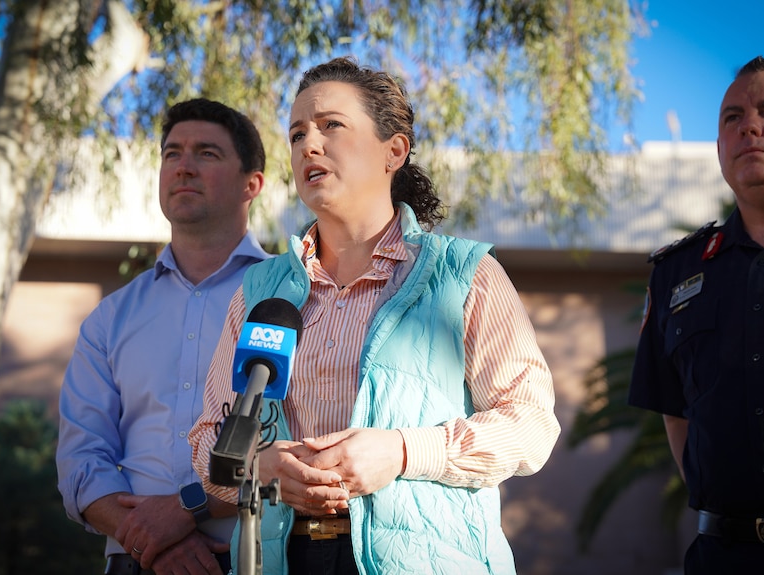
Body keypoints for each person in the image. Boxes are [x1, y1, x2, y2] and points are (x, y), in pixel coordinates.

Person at [187, 57, 561, 575]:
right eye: (296, 135)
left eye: (331, 126)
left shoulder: (465, 274)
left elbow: (531, 425)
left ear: (395, 150)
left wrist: (405, 452)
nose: (308, 146)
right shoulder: (260, 291)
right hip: (282, 559)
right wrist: (262, 466)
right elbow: (209, 439)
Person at [57, 98, 271, 575]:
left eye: (207, 154)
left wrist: (182, 512)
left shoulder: (289, 300)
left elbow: (295, 442)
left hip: (251, 557)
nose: (183, 167)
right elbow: (80, 461)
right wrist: (150, 538)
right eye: (172, 153)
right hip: (135, 563)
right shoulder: (110, 318)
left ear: (251, 184)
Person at [629, 56, 764, 574]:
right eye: (732, 118)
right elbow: (677, 411)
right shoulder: (678, 272)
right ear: (719, 147)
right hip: (721, 558)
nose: (750, 126)